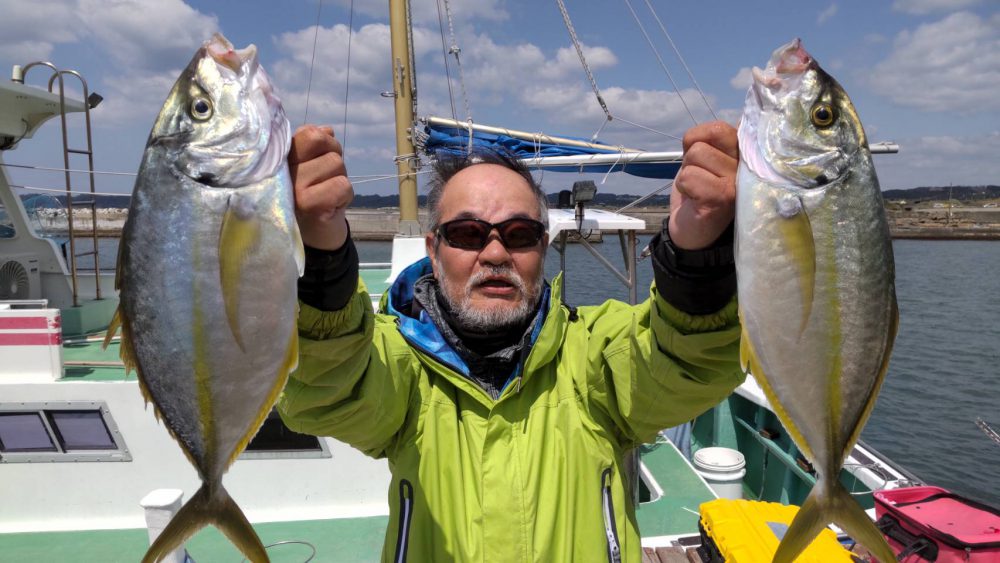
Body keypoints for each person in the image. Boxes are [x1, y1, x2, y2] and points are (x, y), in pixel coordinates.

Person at [278, 121, 745, 563]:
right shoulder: (401, 369)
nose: (496, 252)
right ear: (433, 251)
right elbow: (330, 383)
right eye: (467, 233)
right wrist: (322, 254)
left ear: (543, 248)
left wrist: (697, 252)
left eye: (519, 234)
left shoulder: (595, 357)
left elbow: (684, 358)